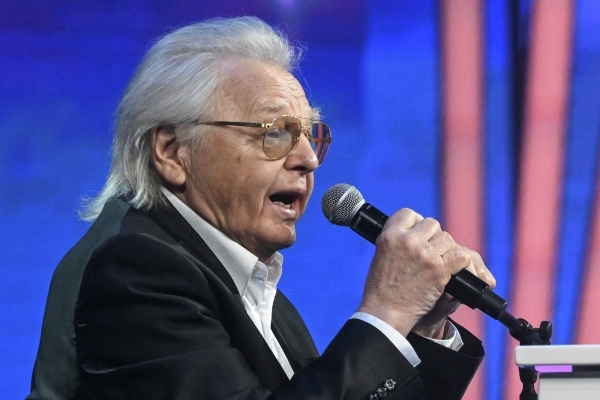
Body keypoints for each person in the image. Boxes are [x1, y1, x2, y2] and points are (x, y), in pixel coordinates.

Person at [27, 16, 495, 400]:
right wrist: (388, 310)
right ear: (172, 151)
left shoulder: (264, 298)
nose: (309, 160)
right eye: (274, 132)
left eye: (312, 136)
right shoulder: (136, 273)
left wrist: (421, 323)